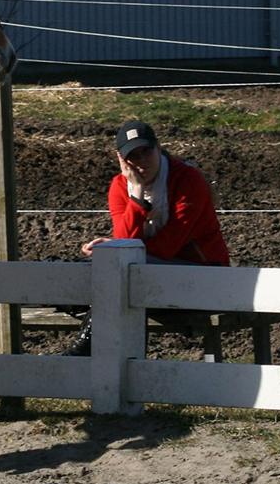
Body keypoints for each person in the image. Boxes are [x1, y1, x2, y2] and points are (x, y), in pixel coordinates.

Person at [61, 120, 231, 356]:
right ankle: (100, 358)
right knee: (111, 276)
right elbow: (124, 240)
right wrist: (138, 196)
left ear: (158, 147)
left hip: (202, 275)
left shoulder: (188, 181)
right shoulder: (119, 187)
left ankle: (82, 350)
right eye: (133, 156)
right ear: (121, 159)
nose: (141, 161)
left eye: (146, 151)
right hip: (147, 275)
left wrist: (114, 249)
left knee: (114, 271)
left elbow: (166, 247)